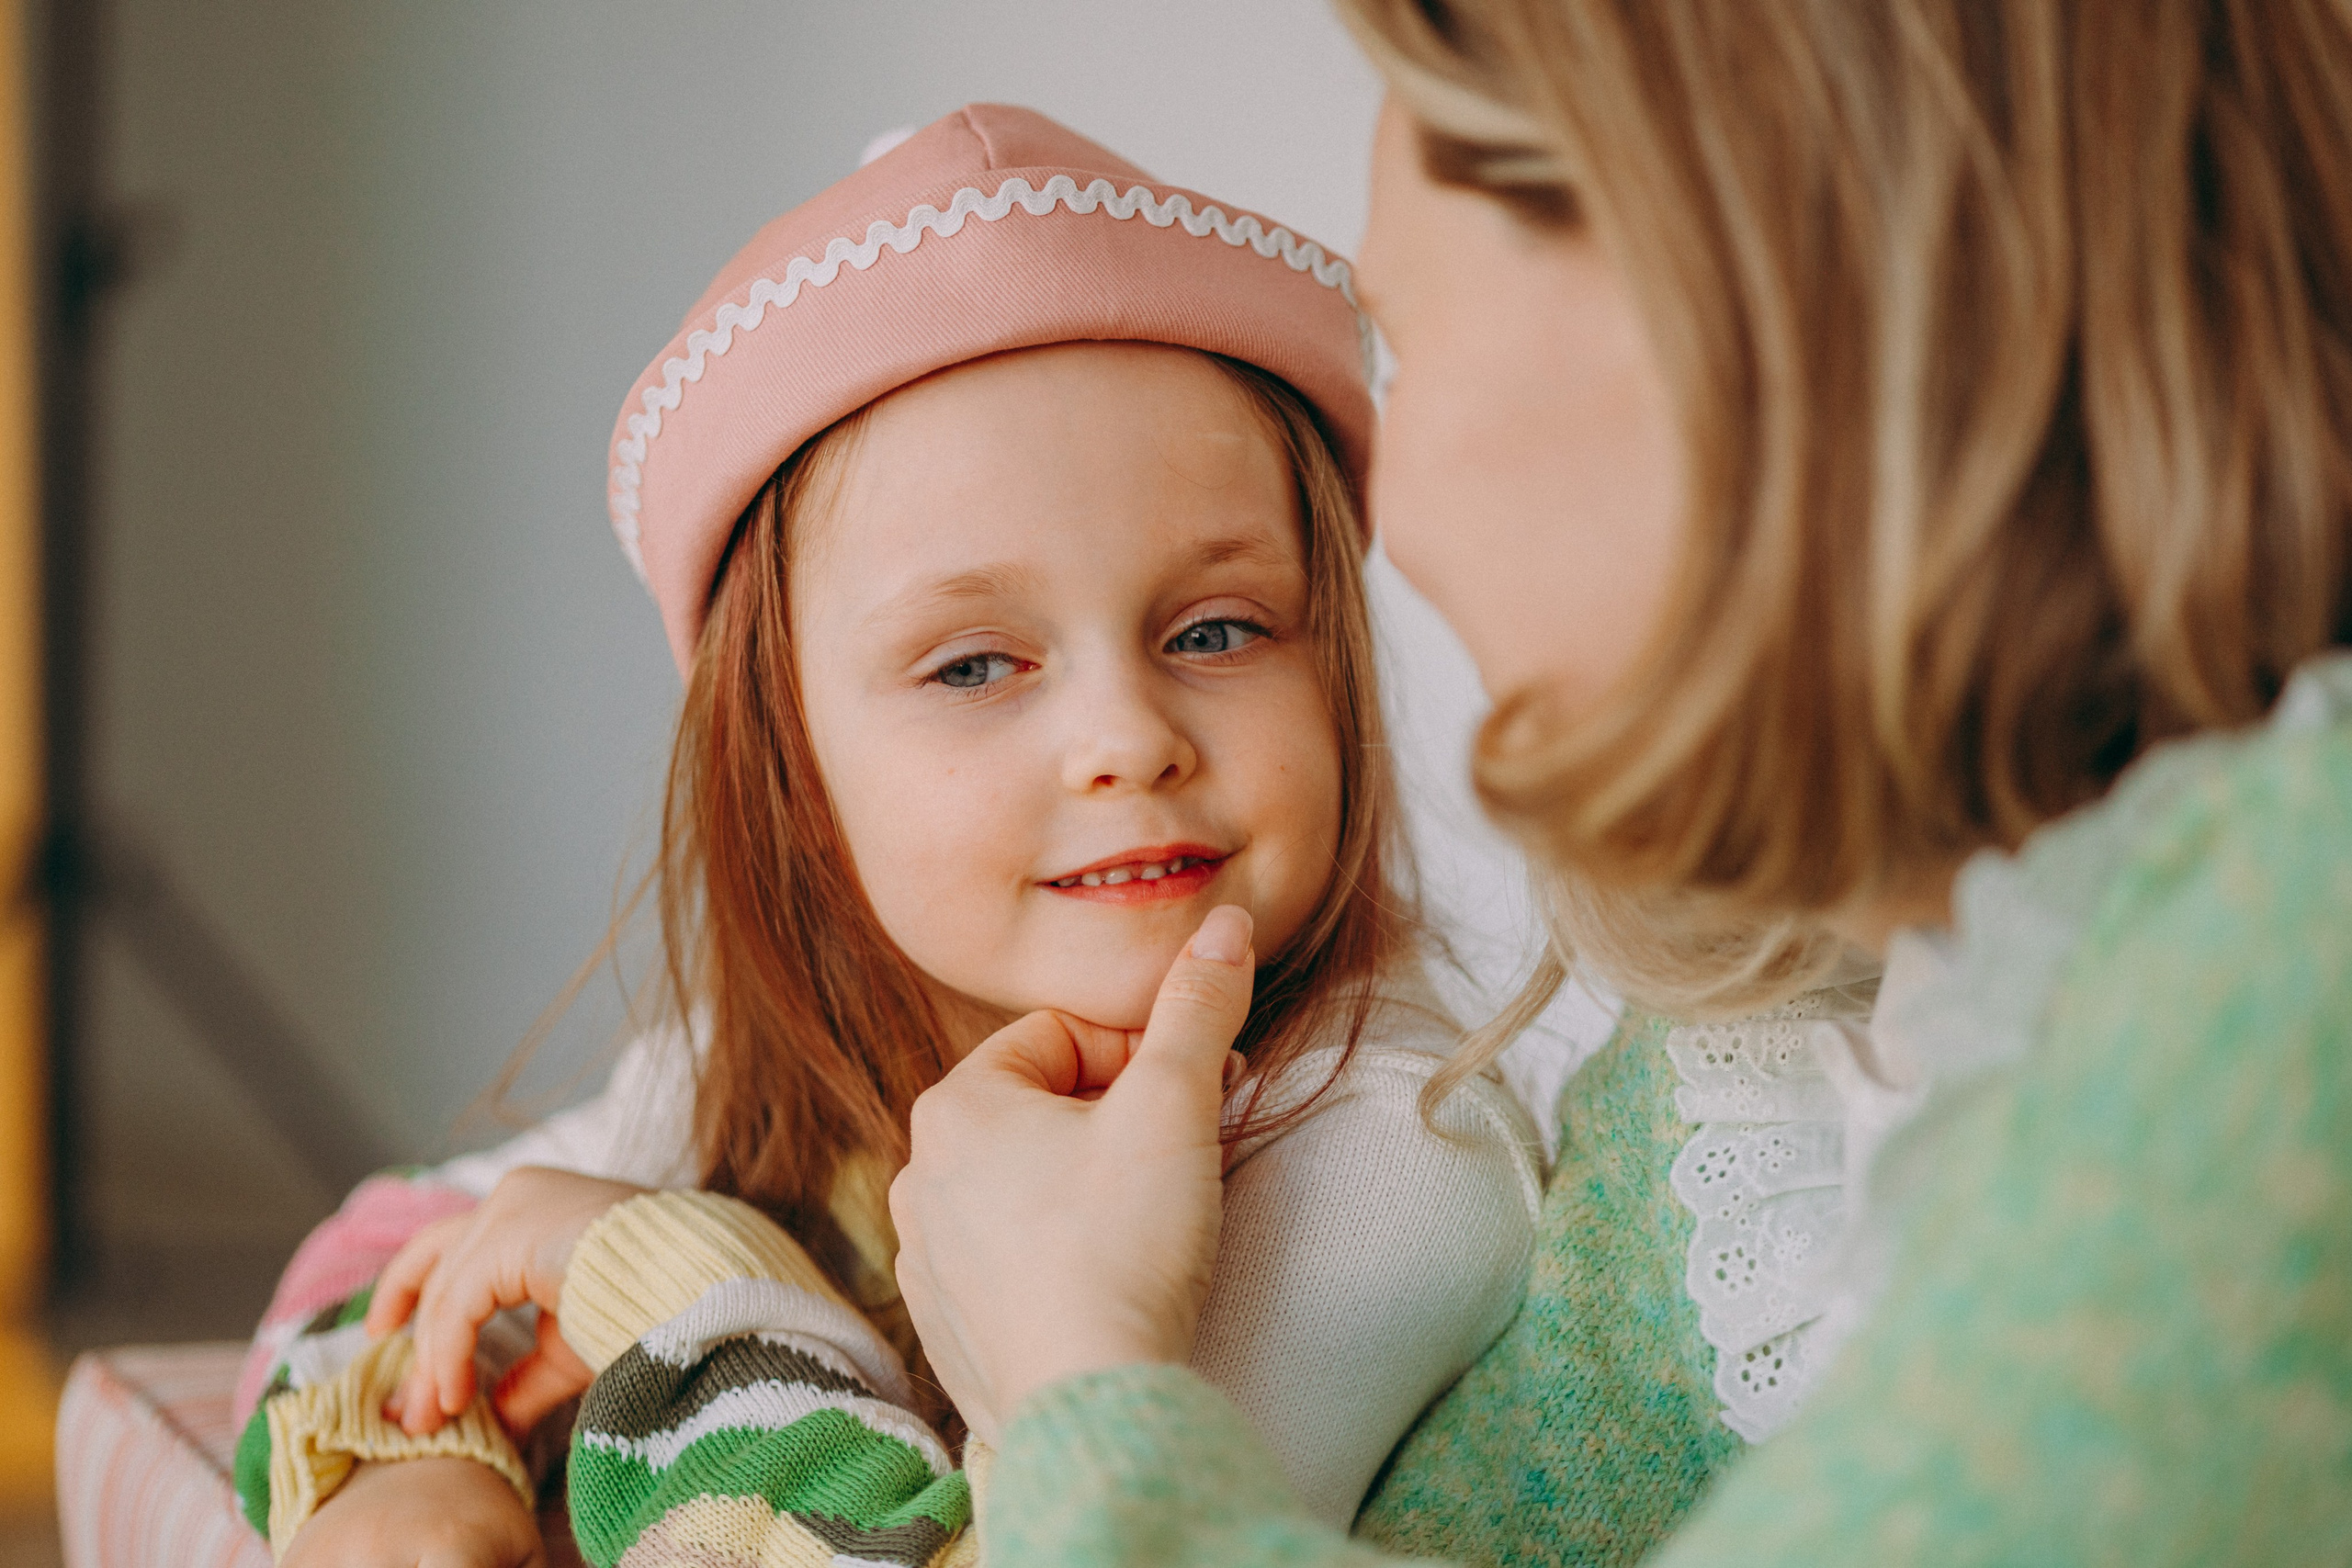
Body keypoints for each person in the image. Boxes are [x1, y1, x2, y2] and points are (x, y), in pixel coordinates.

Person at [654, 6, 2352, 1566]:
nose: (1404, 528)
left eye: (1401, 354)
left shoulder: (2285, 998)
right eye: (972, 666)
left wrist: (1068, 1377)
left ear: (1757, 315)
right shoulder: (1764, 1073)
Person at [232, 105, 1544, 1568]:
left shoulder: (1389, 1149)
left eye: (1219, 628)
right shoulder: (784, 1055)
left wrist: (681, 1292)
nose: (1126, 736)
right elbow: (381, 1258)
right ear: (791, 769)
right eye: (976, 665)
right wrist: (413, 1468)